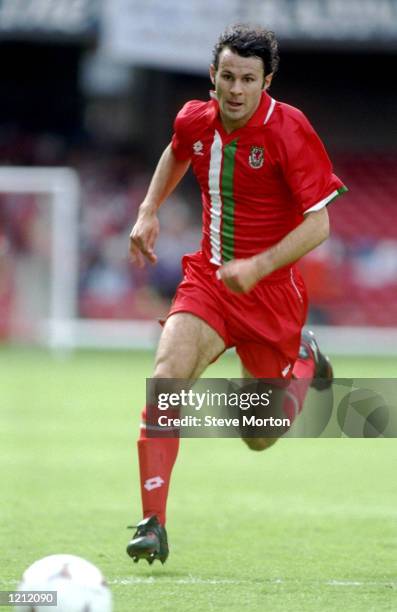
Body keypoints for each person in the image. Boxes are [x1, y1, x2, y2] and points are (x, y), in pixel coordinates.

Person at [126, 24, 347, 565]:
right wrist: (149, 210)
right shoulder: (194, 118)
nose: (236, 89)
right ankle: (153, 521)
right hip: (210, 281)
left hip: (270, 296)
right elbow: (177, 150)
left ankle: (303, 362)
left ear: (266, 81)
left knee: (257, 435)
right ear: (213, 75)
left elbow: (319, 225)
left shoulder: (289, 130)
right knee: (165, 381)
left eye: (248, 79)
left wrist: (261, 265)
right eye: (227, 76)